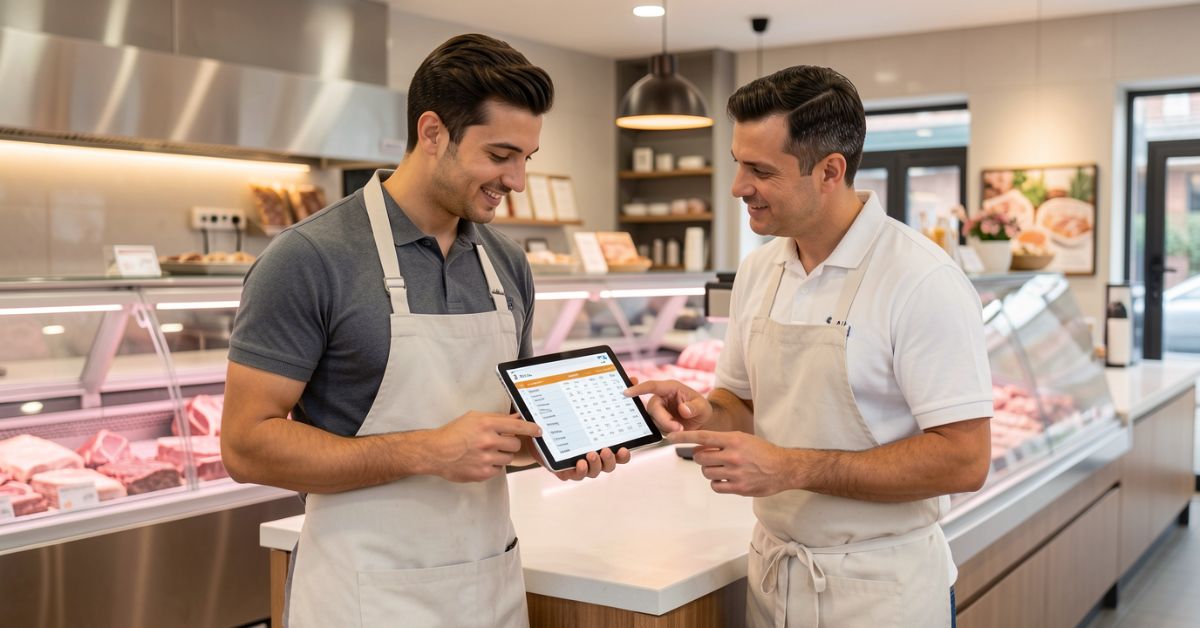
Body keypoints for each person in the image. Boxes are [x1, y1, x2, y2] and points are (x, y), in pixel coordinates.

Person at [221, 34, 628, 628]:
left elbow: (501, 431)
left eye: (526, 160)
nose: (516, 181)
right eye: (500, 155)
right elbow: (244, 445)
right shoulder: (309, 257)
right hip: (363, 595)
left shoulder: (506, 263)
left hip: (487, 584)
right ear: (432, 132)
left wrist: (556, 447)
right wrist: (428, 450)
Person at [627, 65, 993, 627]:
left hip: (882, 593)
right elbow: (741, 404)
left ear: (830, 171)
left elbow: (965, 459)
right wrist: (706, 410)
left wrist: (792, 469)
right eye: (737, 163)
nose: (737, 187)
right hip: (775, 578)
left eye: (760, 170)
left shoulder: (921, 279)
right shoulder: (760, 270)